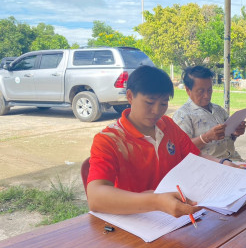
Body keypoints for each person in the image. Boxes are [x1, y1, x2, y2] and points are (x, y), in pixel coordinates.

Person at [86, 65, 235, 217]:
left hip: (176, 216)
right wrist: (157, 202)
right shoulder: (110, 140)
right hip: (135, 219)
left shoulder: (167, 126)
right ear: (130, 96)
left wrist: (223, 164)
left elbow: (195, 156)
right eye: (149, 103)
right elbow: (96, 197)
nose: (157, 111)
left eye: (163, 103)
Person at [172, 66, 246, 161]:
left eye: (209, 90)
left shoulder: (218, 109)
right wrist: (206, 137)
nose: (207, 95)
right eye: (201, 91)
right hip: (209, 165)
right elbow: (181, 149)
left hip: (233, 159)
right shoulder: (183, 115)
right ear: (188, 90)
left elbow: (229, 137)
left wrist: (235, 132)